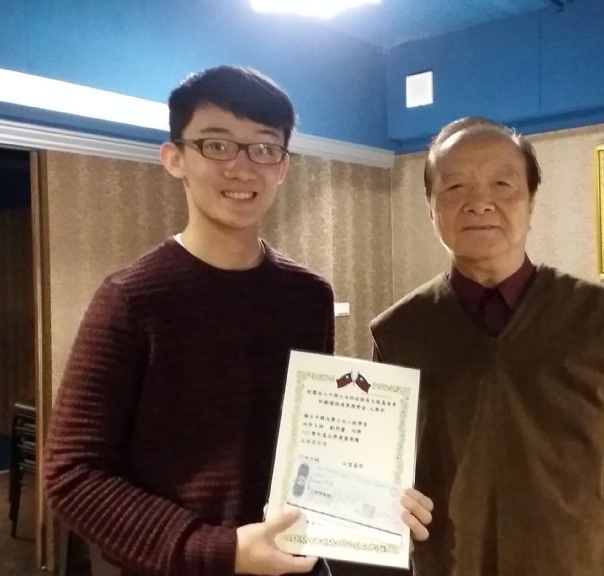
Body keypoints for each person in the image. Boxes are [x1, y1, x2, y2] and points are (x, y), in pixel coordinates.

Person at [45, 66, 432, 576]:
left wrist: (379, 495)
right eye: (218, 145)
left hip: (297, 565)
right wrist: (220, 550)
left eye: (264, 148)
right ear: (175, 158)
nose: (243, 168)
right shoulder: (130, 300)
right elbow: (72, 476)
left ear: (283, 166)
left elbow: (312, 441)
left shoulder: (308, 296)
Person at [370, 117, 604, 575]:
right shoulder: (398, 333)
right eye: (455, 187)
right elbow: (382, 473)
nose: (479, 203)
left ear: (531, 201)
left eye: (502, 184)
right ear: (431, 208)